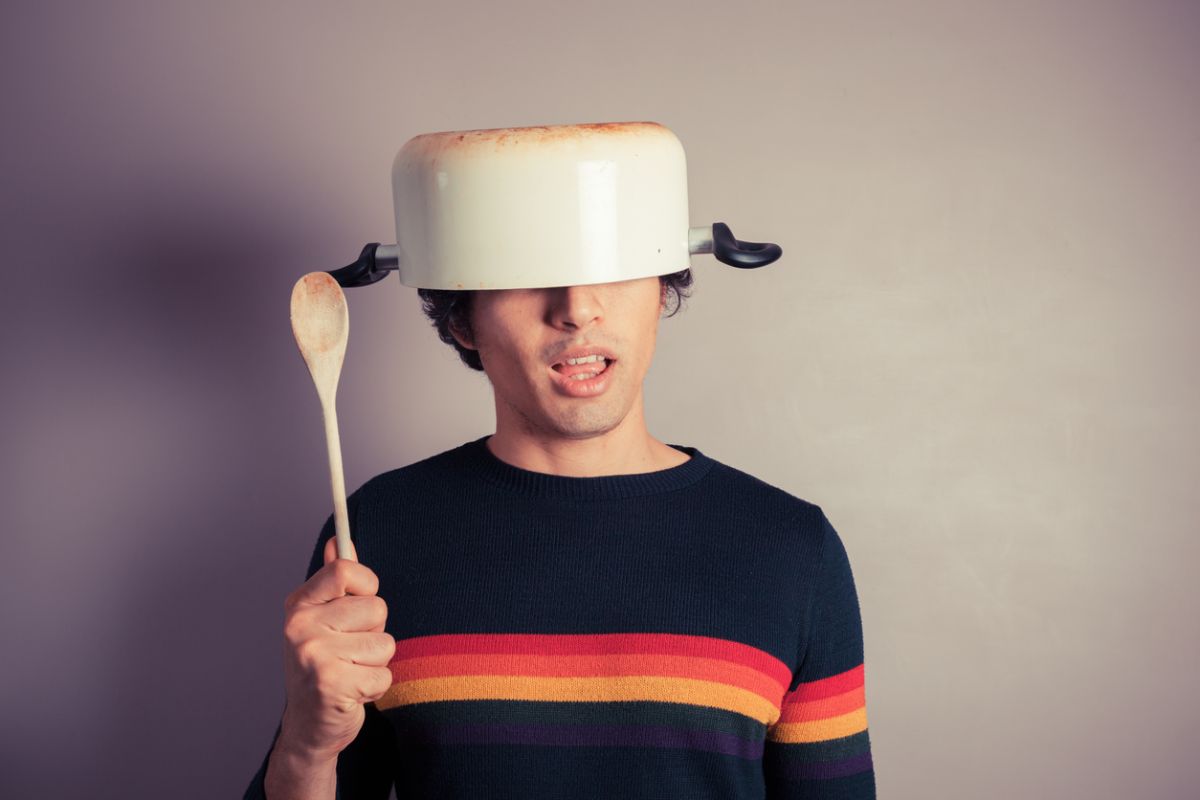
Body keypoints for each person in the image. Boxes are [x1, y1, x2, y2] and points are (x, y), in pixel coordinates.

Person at [244, 270, 876, 799]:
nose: (576, 308)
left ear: (661, 290)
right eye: (524, 274)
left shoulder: (792, 546)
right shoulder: (372, 531)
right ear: (463, 319)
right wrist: (305, 747)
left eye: (612, 267)